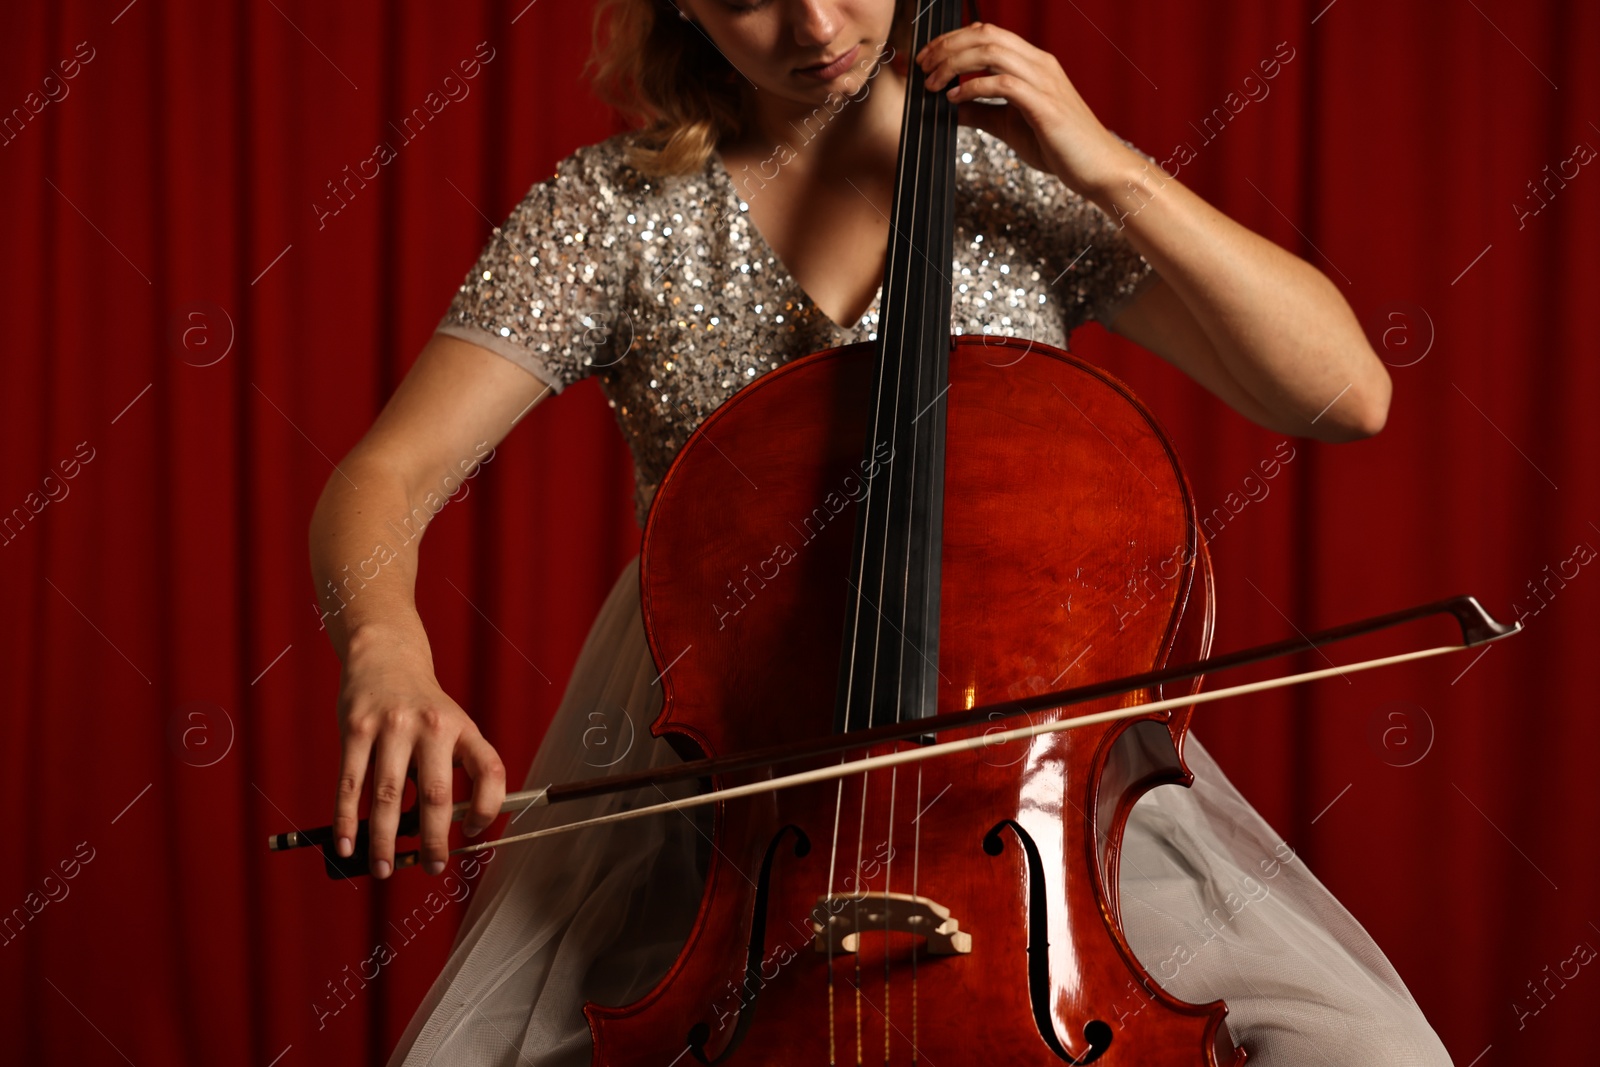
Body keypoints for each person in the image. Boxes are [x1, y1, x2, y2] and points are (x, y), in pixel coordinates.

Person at [308, 1, 1449, 1064]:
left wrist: (1103, 167)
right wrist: (385, 652)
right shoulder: (615, 214)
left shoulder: (1019, 179)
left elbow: (1345, 395)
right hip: (735, 824)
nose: (812, 24)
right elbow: (387, 472)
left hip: (1019, 794)